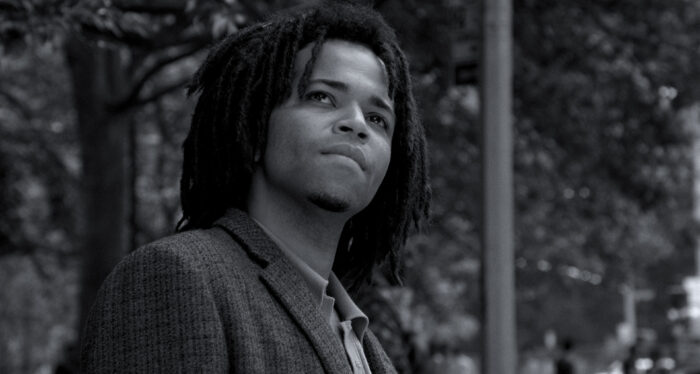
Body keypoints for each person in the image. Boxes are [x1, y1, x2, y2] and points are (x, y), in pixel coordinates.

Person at [80, 1, 430, 373]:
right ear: (255, 127)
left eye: (378, 119)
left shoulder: (365, 345)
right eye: (322, 97)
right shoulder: (176, 278)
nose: (357, 124)